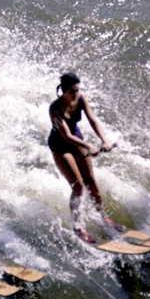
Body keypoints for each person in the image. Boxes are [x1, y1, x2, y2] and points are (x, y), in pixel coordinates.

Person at [48, 72, 116, 241]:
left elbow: (93, 120)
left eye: (77, 90)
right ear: (63, 91)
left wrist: (104, 140)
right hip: (60, 145)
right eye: (72, 91)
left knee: (91, 181)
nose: (75, 94)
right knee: (78, 186)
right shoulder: (55, 108)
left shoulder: (81, 98)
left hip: (77, 140)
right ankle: (78, 228)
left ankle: (103, 217)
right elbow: (66, 136)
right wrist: (88, 146)